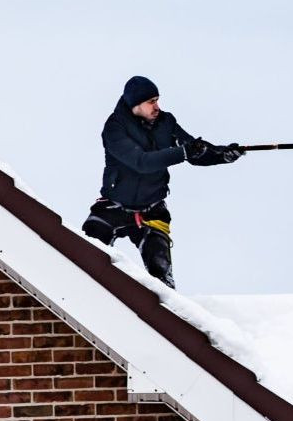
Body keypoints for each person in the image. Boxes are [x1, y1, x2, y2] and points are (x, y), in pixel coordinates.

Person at [81, 76, 243, 288]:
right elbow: (141, 162)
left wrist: (221, 154)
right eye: (151, 102)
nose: (157, 107)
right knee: (82, 261)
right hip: (112, 209)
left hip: (152, 212)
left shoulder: (167, 122)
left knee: (162, 281)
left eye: (157, 100)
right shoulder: (115, 128)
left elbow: (194, 151)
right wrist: (184, 152)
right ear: (135, 104)